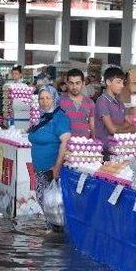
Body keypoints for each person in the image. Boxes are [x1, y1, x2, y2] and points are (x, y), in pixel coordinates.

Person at [28, 88, 71, 231]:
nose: (45, 101)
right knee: (45, 201)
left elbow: (65, 141)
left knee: (52, 204)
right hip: (40, 169)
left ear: (55, 99)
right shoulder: (43, 117)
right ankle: (52, 231)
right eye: (42, 98)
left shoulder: (59, 117)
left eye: (48, 98)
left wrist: (57, 167)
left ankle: (56, 235)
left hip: (51, 170)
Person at [94, 67, 136, 154]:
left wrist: (128, 126)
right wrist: (129, 128)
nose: (122, 85)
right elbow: (112, 129)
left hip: (118, 149)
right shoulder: (102, 101)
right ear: (108, 82)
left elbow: (125, 125)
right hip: (105, 151)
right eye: (118, 82)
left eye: (122, 82)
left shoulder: (120, 103)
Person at [59, 69, 95, 138]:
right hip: (64, 146)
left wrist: (95, 142)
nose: (74, 87)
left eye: (77, 83)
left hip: (84, 145)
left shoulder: (90, 102)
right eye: (71, 83)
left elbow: (92, 126)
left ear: (83, 83)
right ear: (67, 84)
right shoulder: (59, 101)